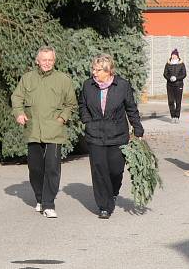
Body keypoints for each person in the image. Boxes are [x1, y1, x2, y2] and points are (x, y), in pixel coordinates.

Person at [11, 46, 77, 219]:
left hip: (54, 130)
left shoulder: (63, 80)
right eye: (44, 60)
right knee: (35, 168)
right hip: (33, 130)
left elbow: (71, 103)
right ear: (37, 61)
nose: (47, 63)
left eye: (50, 60)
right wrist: (19, 113)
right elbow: (16, 97)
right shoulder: (27, 79)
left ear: (54, 61)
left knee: (52, 168)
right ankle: (40, 198)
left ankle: (49, 204)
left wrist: (62, 119)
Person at [78, 53, 144, 219]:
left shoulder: (122, 85)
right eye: (93, 69)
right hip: (95, 135)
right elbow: (82, 105)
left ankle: (113, 192)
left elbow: (131, 108)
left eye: (98, 70)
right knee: (99, 169)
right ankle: (104, 206)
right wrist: (87, 121)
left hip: (118, 135)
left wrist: (138, 128)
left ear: (108, 71)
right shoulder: (88, 86)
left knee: (115, 169)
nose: (94, 72)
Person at [163, 48, 187, 123]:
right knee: (170, 101)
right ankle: (172, 116)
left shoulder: (181, 64)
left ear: (177, 56)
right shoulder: (168, 63)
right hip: (170, 85)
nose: (174, 56)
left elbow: (184, 74)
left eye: (175, 55)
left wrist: (176, 78)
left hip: (178, 85)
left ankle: (177, 117)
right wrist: (169, 78)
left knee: (178, 101)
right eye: (173, 55)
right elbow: (165, 74)